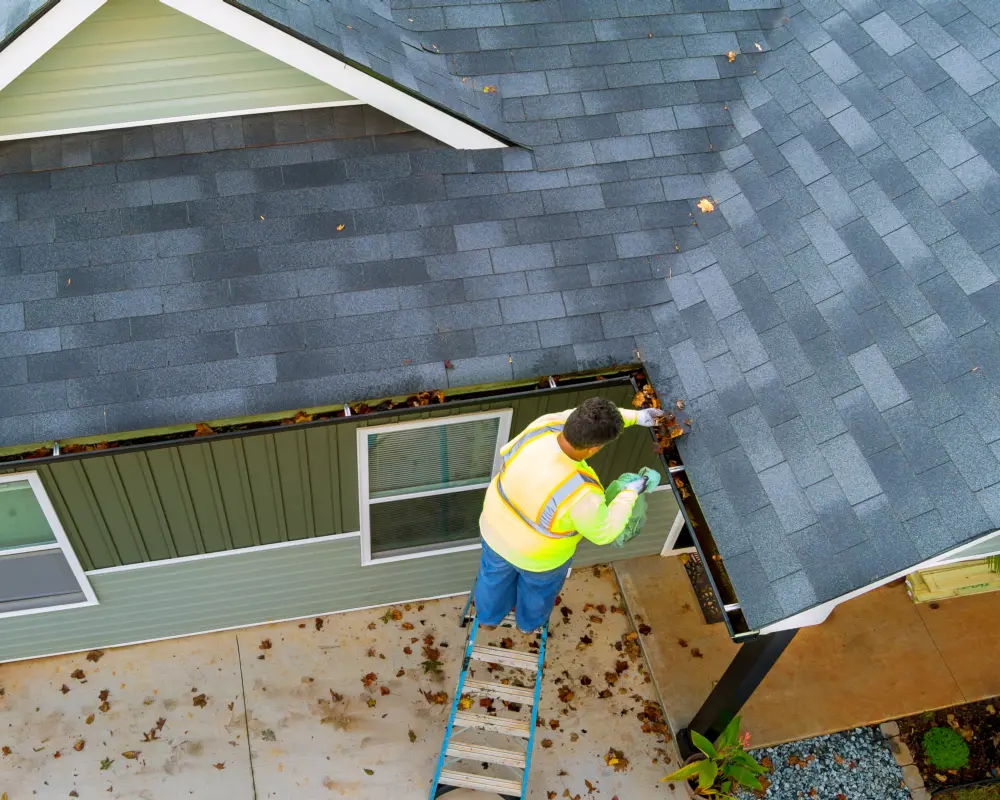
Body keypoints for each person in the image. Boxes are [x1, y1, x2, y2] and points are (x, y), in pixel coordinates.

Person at [474, 397, 664, 634]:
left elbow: (584, 417)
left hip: (494, 530)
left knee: (492, 580)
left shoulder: (544, 425)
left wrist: (637, 417)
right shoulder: (580, 492)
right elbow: (604, 532)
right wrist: (629, 492)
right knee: (537, 593)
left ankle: (488, 620)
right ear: (594, 448)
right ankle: (526, 626)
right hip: (539, 558)